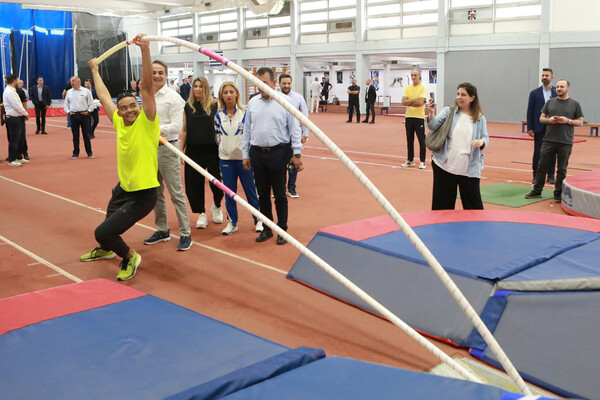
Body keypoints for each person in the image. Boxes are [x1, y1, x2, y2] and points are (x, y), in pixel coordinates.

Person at [81, 33, 159, 281]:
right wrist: (94, 70)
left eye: (132, 105)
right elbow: (103, 96)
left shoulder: (147, 122)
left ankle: (129, 257)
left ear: (139, 105)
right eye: (123, 107)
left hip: (144, 194)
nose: (128, 110)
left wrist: (145, 50)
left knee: (102, 231)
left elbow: (147, 87)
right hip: (124, 189)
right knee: (109, 216)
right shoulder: (119, 122)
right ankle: (106, 251)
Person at [242, 67, 302, 245]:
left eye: (265, 82)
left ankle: (282, 229)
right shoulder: (253, 103)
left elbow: (295, 129)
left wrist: (296, 153)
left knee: (280, 194)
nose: (260, 86)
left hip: (278, 153)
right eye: (258, 83)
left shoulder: (285, 101)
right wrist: (245, 153)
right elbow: (247, 130)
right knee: (262, 194)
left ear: (274, 83)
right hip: (257, 154)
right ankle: (267, 228)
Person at [143, 59, 192, 251]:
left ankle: (185, 233)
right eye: (153, 72)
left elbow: (177, 127)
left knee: (176, 193)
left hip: (168, 148)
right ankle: (162, 230)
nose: (156, 76)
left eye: (160, 73)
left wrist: (154, 129)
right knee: (155, 193)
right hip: (149, 149)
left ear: (166, 75)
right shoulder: (145, 95)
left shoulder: (174, 98)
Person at [427, 82, 489, 210]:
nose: (459, 97)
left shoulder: (480, 118)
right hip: (444, 166)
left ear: (472, 98)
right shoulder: (448, 111)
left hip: (468, 169)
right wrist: (432, 113)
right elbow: (433, 126)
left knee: (474, 207)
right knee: (442, 207)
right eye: (458, 94)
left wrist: (481, 142)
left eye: (463, 95)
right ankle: (441, 229)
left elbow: (485, 138)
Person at [214, 81, 262, 235]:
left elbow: (251, 135)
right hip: (226, 160)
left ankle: (259, 219)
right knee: (229, 193)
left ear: (236, 94)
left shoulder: (245, 113)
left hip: (244, 160)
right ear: (221, 95)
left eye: (231, 92)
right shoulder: (218, 115)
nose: (228, 95)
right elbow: (217, 137)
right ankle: (232, 222)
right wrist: (225, 148)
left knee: (251, 191)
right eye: (225, 92)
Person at [525, 79, 583, 203]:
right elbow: (541, 118)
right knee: (542, 166)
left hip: (565, 142)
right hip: (549, 140)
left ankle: (558, 193)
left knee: (562, 169)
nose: (558, 89)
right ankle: (537, 191)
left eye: (562, 86)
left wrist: (567, 121)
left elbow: (580, 122)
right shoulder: (550, 102)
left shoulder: (575, 104)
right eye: (557, 87)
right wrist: (550, 120)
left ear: (568, 88)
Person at [181, 77, 224, 229]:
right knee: (194, 184)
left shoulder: (215, 105)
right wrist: (181, 150)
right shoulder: (188, 106)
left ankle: (217, 206)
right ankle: (201, 213)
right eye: (195, 86)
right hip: (193, 150)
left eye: (200, 86)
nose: (197, 89)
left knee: (217, 182)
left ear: (206, 88)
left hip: (213, 150)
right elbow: (185, 129)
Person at [279, 73, 309, 198]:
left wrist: (305, 133)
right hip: (280, 137)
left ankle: (291, 188)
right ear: (279, 84)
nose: (286, 86)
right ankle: (280, 188)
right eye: (284, 83)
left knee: (293, 163)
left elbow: (305, 117)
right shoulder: (275, 97)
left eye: (288, 83)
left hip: (294, 136)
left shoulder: (298, 98)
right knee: (279, 165)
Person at [526, 68, 557, 184]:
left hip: (553, 127)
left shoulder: (556, 92)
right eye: (543, 75)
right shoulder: (534, 93)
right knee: (538, 151)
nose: (544, 77)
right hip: (539, 127)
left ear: (551, 77)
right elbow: (530, 110)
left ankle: (551, 175)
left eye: (547, 75)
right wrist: (530, 127)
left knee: (553, 151)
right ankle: (536, 175)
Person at [401, 68, 428, 169]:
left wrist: (410, 101)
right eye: (412, 75)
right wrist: (414, 101)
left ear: (419, 76)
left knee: (421, 140)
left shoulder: (423, 88)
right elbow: (403, 101)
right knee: (409, 139)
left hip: (419, 117)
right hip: (408, 117)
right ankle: (410, 160)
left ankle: (422, 161)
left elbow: (420, 102)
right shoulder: (408, 88)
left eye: (415, 75)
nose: (413, 77)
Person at [64, 76, 94, 159]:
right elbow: (66, 104)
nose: (72, 83)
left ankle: (89, 152)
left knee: (86, 135)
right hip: (73, 115)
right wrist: (68, 112)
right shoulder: (69, 92)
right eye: (71, 81)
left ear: (79, 82)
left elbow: (91, 103)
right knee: (75, 136)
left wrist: (88, 111)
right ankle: (75, 152)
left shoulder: (86, 91)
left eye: (73, 81)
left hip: (84, 115)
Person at [3, 74, 29, 167]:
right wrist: (25, 113)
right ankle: (12, 159)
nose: (19, 81)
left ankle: (18, 156)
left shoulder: (13, 91)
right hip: (13, 119)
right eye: (17, 80)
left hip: (18, 118)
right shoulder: (9, 92)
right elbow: (16, 105)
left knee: (20, 139)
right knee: (14, 140)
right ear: (14, 81)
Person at [16, 80, 29, 162]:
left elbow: (24, 103)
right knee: (12, 137)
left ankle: (25, 153)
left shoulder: (21, 92)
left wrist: (25, 113)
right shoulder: (6, 91)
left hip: (20, 116)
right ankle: (15, 154)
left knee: (22, 136)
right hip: (11, 117)